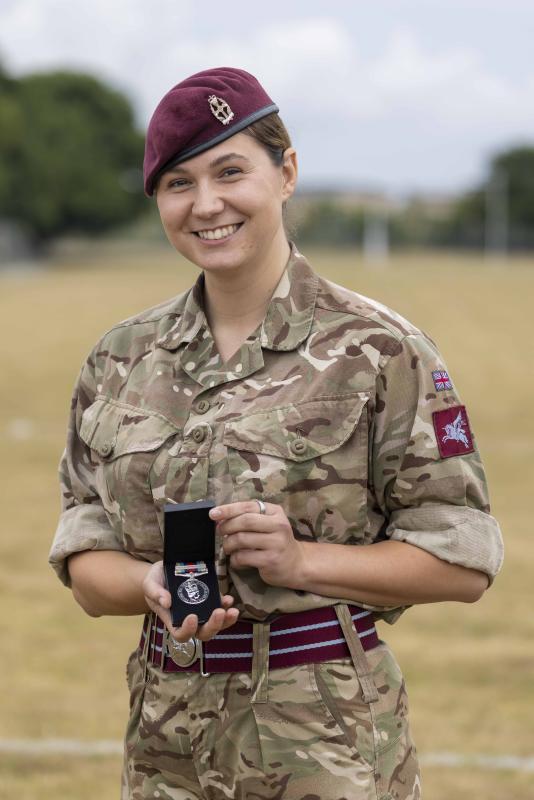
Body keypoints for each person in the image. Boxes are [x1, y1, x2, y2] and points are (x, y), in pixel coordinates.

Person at [49, 67, 504, 800]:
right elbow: (83, 561)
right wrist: (150, 584)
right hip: (165, 739)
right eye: (178, 183)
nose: (207, 204)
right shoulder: (119, 359)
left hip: (325, 741)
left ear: (286, 173)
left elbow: (465, 562)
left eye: (231, 171)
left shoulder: (381, 349)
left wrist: (302, 562)